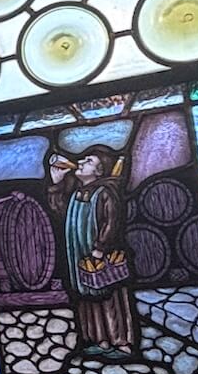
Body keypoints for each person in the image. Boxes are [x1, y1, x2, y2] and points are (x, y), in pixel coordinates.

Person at [47, 147, 136, 358]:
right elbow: (60, 213)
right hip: (78, 254)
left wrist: (100, 248)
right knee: (86, 297)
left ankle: (121, 341)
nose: (79, 162)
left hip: (100, 255)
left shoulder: (105, 192)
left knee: (109, 295)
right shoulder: (77, 193)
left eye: (88, 161)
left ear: (99, 171)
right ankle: (98, 339)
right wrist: (57, 184)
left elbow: (111, 221)